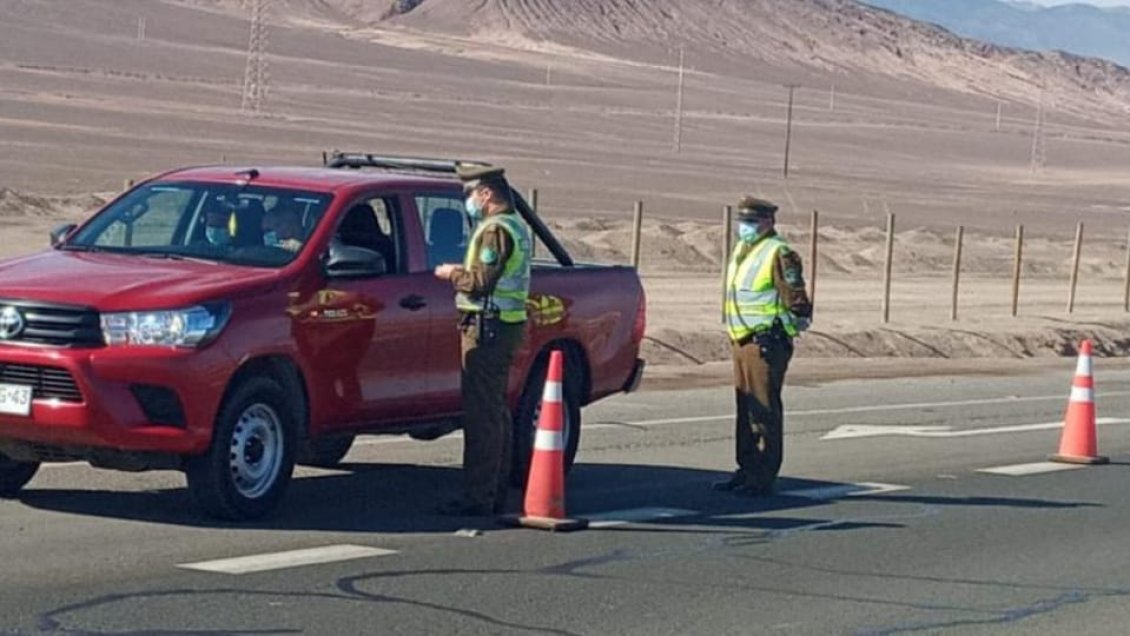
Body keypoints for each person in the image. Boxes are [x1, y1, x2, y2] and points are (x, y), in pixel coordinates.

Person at [433, 165, 532, 516]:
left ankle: (480, 495)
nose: (469, 202)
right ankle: (494, 490)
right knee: (495, 410)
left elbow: (480, 282)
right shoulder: (516, 226)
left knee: (482, 413)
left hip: (487, 327)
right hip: (500, 324)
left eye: (471, 194)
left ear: (487, 194)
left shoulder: (495, 230)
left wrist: (450, 273)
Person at [713, 196, 812, 497]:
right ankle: (746, 468)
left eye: (752, 222)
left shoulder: (779, 253)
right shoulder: (743, 250)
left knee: (764, 409)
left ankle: (763, 475)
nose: (745, 227)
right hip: (741, 339)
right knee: (746, 407)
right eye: (743, 221)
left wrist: (783, 331)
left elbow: (797, 301)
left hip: (765, 342)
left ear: (768, 222)